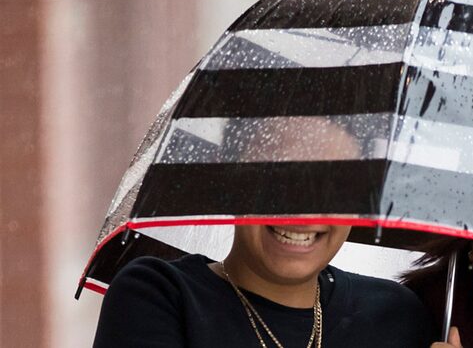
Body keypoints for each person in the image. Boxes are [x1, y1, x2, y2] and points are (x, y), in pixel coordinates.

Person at [93, 117, 435, 347]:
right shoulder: (159, 298)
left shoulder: (396, 315)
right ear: (232, 181)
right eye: (278, 179)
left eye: (333, 182)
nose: (303, 211)